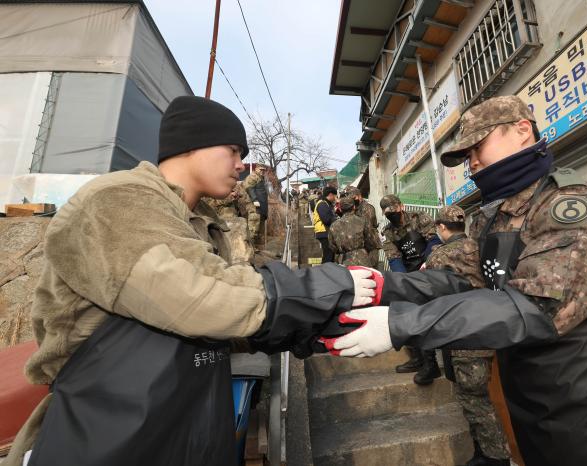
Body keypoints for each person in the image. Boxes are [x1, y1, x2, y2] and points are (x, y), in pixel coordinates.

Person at [5, 96, 377, 466]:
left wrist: (314, 331)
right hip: (107, 429)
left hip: (186, 416)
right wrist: (320, 290)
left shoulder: (199, 221)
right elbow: (201, 297)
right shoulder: (117, 199)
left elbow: (231, 327)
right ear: (191, 144)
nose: (240, 164)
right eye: (232, 150)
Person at [327, 96, 587, 466]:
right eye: (466, 157)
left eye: (478, 147)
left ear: (522, 131)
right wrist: (381, 285)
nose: (473, 163)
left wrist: (400, 324)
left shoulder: (572, 208)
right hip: (540, 390)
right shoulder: (494, 219)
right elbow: (457, 279)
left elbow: (538, 308)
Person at [423, 205, 510, 466]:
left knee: (474, 399)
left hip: (463, 333)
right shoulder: (480, 246)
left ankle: (495, 457)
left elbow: (434, 294)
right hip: (490, 325)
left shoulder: (439, 257)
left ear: (441, 227)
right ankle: (484, 452)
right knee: (482, 394)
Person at [380, 194, 442, 385]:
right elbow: (393, 257)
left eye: (393, 209)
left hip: (428, 267)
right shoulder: (387, 232)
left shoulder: (419, 217)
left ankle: (431, 365)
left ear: (401, 206)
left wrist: (426, 263)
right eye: (387, 212)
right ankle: (418, 358)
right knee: (404, 311)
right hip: (408, 273)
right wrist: (404, 281)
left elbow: (433, 241)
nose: (392, 214)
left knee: (425, 315)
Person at [328, 196, 381, 267]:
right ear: (354, 207)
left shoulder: (333, 226)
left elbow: (332, 246)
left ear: (340, 209)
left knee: (347, 278)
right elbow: (370, 241)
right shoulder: (363, 221)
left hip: (343, 261)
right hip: (362, 259)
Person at [344, 186, 380, 267]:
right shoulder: (354, 208)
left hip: (370, 245)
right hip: (359, 247)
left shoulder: (367, 208)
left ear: (359, 195)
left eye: (353, 198)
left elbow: (366, 228)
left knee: (371, 270)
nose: (351, 201)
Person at [313, 186, 338, 263]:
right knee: (328, 255)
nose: (335, 198)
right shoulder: (322, 204)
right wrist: (337, 220)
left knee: (330, 255)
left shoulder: (326, 203)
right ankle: (325, 272)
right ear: (330, 195)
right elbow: (326, 219)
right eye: (335, 196)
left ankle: (327, 271)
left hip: (326, 232)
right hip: (324, 232)